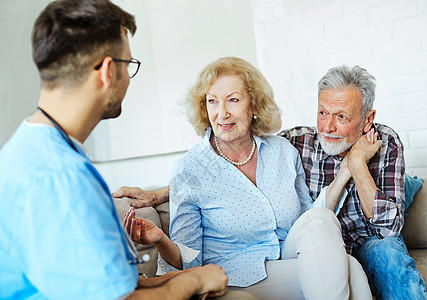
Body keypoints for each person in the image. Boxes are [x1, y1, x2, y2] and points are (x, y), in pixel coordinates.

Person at [0, 1, 229, 299]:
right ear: (108, 71)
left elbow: (109, 285)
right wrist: (196, 281)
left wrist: (189, 274)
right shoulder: (61, 176)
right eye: (128, 65)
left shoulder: (31, 149)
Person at [120, 57, 372, 299]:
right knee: (350, 268)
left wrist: (347, 170)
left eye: (233, 100)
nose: (222, 113)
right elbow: (189, 261)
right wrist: (160, 240)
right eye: (212, 101)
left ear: (254, 104)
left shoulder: (282, 151)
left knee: (321, 220)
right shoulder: (189, 170)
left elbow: (308, 222)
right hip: (236, 274)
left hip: (287, 255)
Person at [279, 65, 427, 300]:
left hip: (369, 243)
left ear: (368, 119)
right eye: (323, 113)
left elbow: (388, 229)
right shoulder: (294, 143)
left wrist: (357, 164)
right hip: (318, 251)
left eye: (342, 116)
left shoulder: (385, 142)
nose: (328, 127)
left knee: (389, 254)